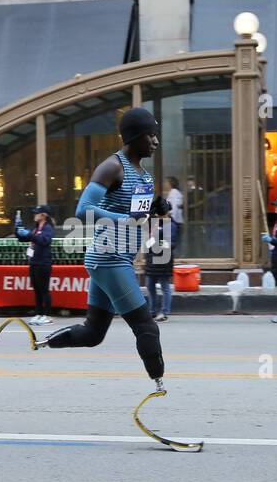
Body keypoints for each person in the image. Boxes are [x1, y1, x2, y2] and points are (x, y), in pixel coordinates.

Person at [34, 107, 166, 395]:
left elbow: (137, 214)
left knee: (93, 333)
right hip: (109, 258)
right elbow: (83, 211)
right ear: (134, 137)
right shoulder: (112, 167)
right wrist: (125, 219)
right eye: (151, 135)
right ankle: (159, 386)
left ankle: (41, 341)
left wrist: (156, 208)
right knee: (146, 326)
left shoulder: (143, 175)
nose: (156, 141)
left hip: (118, 258)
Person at [16, 203, 55, 326]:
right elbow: (23, 239)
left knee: (44, 290)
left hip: (43, 263)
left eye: (37, 213)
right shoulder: (36, 228)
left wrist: (30, 235)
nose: (35, 215)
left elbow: (44, 241)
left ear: (43, 215)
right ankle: (38, 314)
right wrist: (17, 229)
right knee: (37, 290)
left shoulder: (47, 228)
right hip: (34, 262)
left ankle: (47, 315)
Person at [143, 197, 174, 322]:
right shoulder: (153, 223)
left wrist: (157, 243)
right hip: (152, 260)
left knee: (165, 286)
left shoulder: (171, 224)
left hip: (163, 260)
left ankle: (165, 312)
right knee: (150, 286)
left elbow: (171, 243)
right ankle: (152, 311)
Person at [163, 176, 184, 248]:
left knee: (171, 240)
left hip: (173, 220)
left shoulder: (174, 192)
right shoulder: (172, 192)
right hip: (172, 220)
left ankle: (174, 254)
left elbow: (174, 207)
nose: (164, 184)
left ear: (170, 183)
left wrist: (168, 215)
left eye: (166, 182)